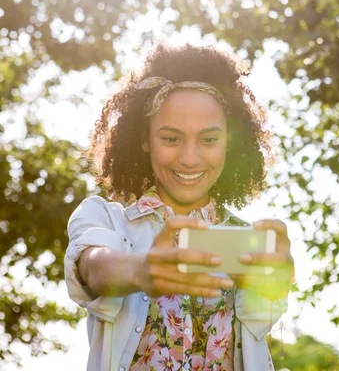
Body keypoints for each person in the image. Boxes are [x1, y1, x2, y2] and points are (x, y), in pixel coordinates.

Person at [64, 43, 294, 371]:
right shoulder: (105, 218)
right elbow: (93, 266)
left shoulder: (249, 242)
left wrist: (278, 280)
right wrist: (138, 270)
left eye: (209, 139)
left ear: (229, 141)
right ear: (144, 139)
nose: (189, 158)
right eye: (171, 139)